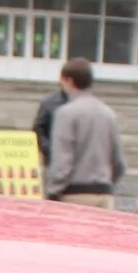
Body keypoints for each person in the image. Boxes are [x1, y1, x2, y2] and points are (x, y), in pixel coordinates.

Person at [42, 56, 124, 206]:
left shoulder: (65, 113)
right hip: (104, 192)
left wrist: (52, 191)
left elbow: (63, 160)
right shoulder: (108, 114)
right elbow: (117, 161)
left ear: (69, 81)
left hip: (74, 193)